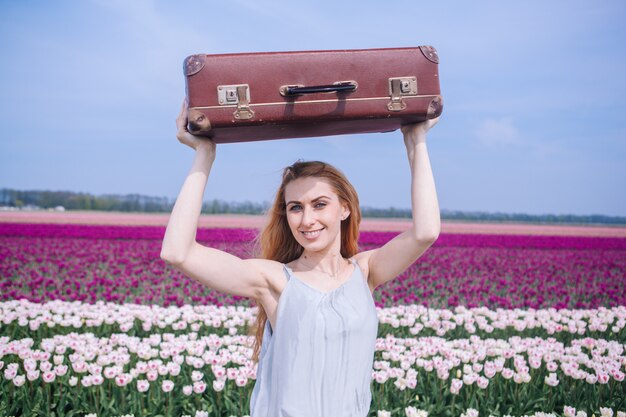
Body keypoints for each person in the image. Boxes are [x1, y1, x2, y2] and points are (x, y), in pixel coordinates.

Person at [160, 100, 441, 417]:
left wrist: (415, 139)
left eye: (319, 204)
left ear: (344, 209)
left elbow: (426, 232)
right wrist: (204, 154)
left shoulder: (366, 272)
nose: (307, 219)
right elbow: (177, 252)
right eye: (296, 207)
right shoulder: (274, 281)